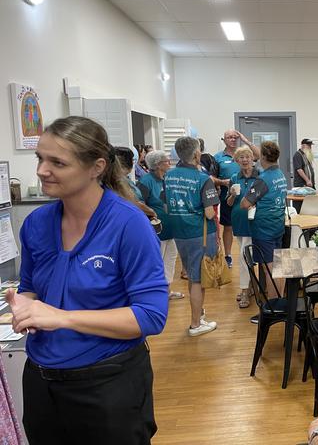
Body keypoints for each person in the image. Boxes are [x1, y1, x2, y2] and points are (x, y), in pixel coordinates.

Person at [8, 116, 168, 444]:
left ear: (96, 167)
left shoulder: (128, 225)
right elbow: (32, 288)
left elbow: (151, 315)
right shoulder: (37, 224)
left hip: (107, 384)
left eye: (57, 162)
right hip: (41, 381)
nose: (41, 170)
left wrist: (62, 317)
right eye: (40, 158)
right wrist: (25, 305)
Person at [166, 136, 220, 337]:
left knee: (191, 273)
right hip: (199, 233)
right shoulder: (202, 178)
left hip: (179, 232)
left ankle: (198, 314)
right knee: (199, 279)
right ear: (197, 154)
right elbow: (209, 213)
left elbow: (166, 204)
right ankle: (196, 324)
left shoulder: (169, 176)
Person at [241, 141, 288, 299]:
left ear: (263, 157)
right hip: (277, 226)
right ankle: (280, 300)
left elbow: (245, 203)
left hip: (264, 229)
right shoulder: (279, 174)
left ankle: (274, 305)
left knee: (270, 268)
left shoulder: (263, 179)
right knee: (277, 266)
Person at [138, 150, 184, 301]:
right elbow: (139, 204)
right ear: (157, 165)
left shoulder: (168, 178)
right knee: (157, 261)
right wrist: (151, 213)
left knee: (170, 258)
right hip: (157, 230)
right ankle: (155, 294)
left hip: (173, 227)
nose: (169, 162)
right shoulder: (146, 181)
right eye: (166, 160)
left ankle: (167, 290)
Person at [214, 129, 260, 270]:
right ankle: (228, 255)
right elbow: (212, 178)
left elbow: (258, 154)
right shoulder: (218, 157)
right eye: (229, 137)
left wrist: (245, 139)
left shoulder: (259, 175)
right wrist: (224, 184)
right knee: (228, 228)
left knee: (249, 249)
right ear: (224, 139)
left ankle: (252, 282)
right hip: (230, 201)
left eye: (235, 137)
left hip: (254, 214)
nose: (233, 139)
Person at [226, 146, 258, 308]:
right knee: (246, 256)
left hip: (254, 221)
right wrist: (232, 194)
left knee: (244, 257)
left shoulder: (259, 176)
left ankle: (245, 290)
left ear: (252, 159)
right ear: (237, 161)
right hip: (238, 221)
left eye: (247, 157)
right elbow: (229, 203)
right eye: (241, 158)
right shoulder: (234, 177)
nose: (245, 160)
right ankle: (251, 286)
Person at [293, 138, 315, 213]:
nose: (310, 148)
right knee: (300, 207)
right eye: (308, 146)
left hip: (309, 185)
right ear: (303, 146)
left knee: (310, 207)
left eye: (310, 146)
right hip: (301, 185)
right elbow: (299, 169)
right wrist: (307, 180)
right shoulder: (297, 155)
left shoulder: (307, 155)